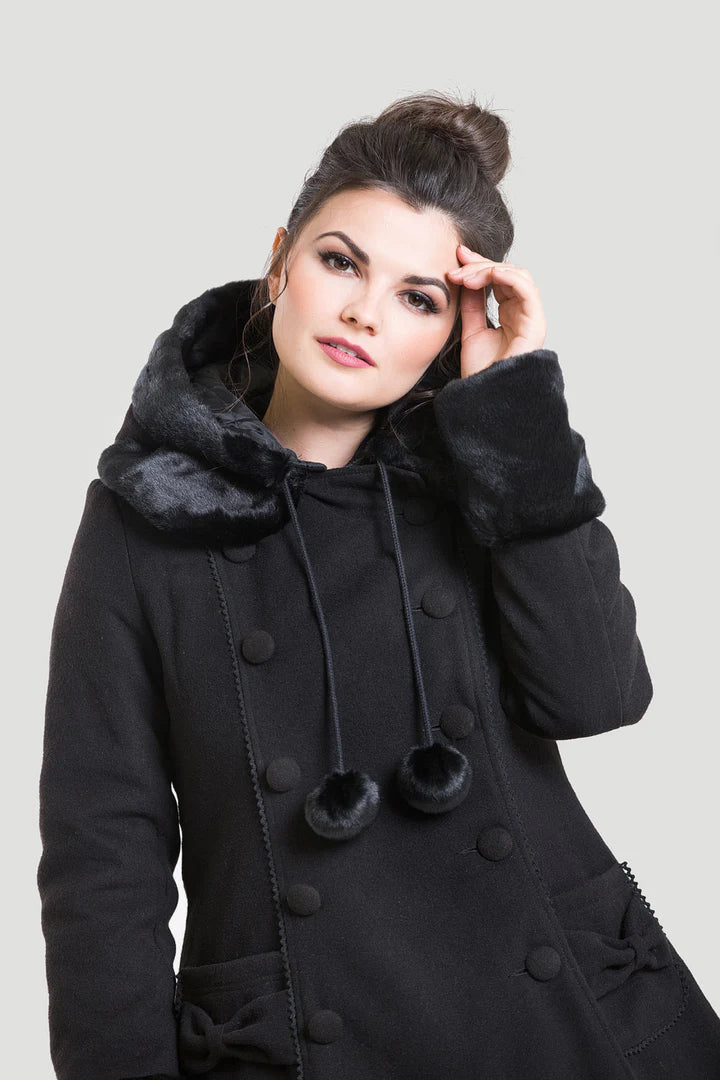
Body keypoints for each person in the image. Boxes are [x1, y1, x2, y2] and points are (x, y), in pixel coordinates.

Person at [36, 89, 720, 1080]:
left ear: (450, 330)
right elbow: (103, 852)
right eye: (341, 262)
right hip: (304, 1043)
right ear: (281, 263)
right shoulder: (146, 514)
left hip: (569, 1019)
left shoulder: (481, 475)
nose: (364, 312)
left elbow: (596, 695)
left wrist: (516, 414)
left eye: (418, 297)